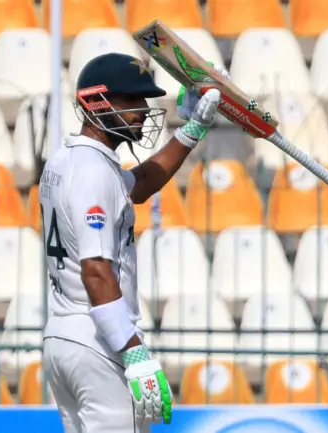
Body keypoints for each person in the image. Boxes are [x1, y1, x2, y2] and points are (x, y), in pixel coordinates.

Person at [39, 52, 224, 433]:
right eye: (131, 101)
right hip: (97, 340)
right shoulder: (94, 174)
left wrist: (193, 129)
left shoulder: (68, 161)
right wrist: (133, 351)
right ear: (94, 103)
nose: (142, 110)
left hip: (62, 337)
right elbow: (95, 270)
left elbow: (139, 186)